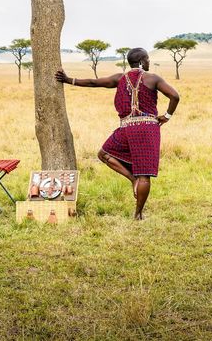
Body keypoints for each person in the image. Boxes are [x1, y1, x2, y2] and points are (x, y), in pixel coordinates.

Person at [55, 48, 180, 220]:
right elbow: (175, 96)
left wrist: (69, 80)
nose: (149, 62)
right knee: (144, 174)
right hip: (148, 129)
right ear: (143, 62)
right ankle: (137, 213)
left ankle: (132, 179)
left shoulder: (119, 78)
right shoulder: (153, 78)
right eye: (148, 59)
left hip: (126, 128)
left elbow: (93, 82)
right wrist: (166, 116)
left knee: (103, 154)